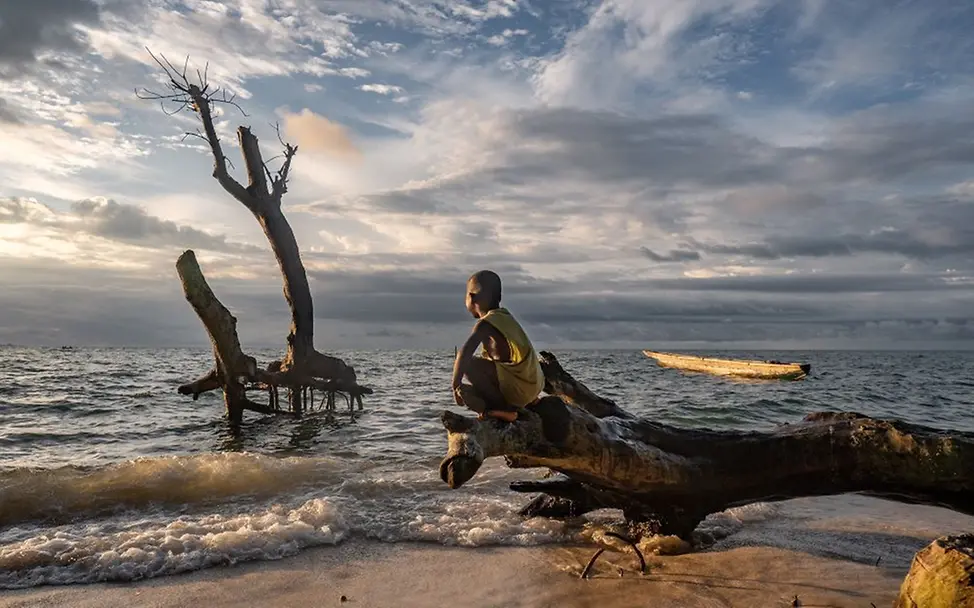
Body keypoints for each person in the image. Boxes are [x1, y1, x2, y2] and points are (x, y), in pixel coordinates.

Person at [451, 270, 545, 422]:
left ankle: (504, 410)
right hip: (533, 386)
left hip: (519, 390)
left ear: (471, 297)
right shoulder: (505, 317)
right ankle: (526, 402)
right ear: (499, 297)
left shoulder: (485, 324)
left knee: (469, 364)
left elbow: (464, 354)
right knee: (490, 365)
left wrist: (455, 386)